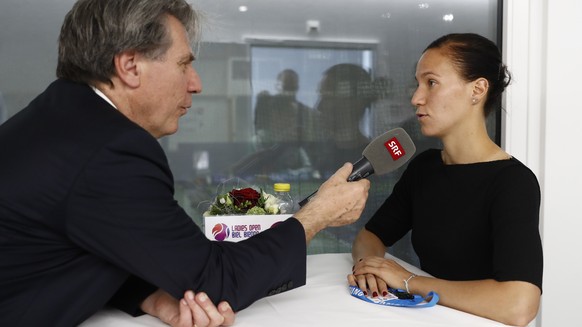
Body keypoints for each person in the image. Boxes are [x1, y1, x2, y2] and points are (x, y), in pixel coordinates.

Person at [0, 0, 370, 326]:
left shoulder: (63, 116)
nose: (196, 84)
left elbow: (84, 244)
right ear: (130, 66)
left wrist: (154, 298)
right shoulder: (111, 150)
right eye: (183, 64)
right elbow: (216, 278)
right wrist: (316, 215)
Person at [349, 33, 542, 327]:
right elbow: (371, 236)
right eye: (418, 84)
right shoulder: (424, 169)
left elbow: (519, 305)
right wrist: (369, 268)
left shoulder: (514, 183)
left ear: (477, 90)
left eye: (431, 82)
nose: (416, 98)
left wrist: (409, 281)